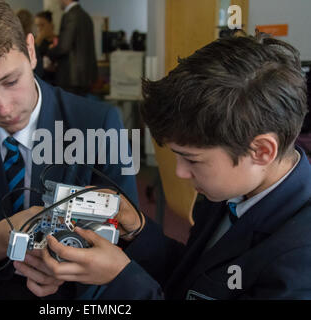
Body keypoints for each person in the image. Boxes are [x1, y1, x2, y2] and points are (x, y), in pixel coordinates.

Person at [39, 33, 311, 299]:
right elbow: (194, 277)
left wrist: (122, 279)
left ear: (261, 151)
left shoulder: (299, 259)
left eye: (192, 159)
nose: (180, 172)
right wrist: (138, 229)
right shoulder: (230, 188)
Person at [0, 0, 139, 300]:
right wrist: (7, 233)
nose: (4, 109)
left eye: (11, 81)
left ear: (31, 51)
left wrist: (61, 269)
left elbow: (127, 236)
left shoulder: (97, 122)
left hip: (72, 283)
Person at [47, 0, 97, 96]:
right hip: (85, 77)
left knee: (68, 109)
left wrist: (49, 52)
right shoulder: (86, 16)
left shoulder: (70, 15)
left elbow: (64, 47)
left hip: (70, 77)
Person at [34, 10, 58, 84]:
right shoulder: (36, 42)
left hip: (57, 82)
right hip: (42, 82)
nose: (39, 29)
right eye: (37, 26)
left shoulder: (59, 40)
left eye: (42, 25)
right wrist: (39, 39)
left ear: (51, 25)